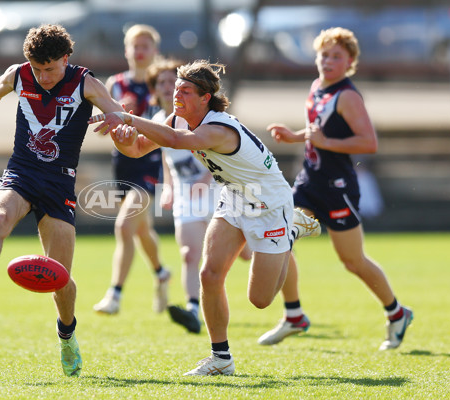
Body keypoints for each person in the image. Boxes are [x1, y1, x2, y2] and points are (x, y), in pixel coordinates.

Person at [89, 60, 321, 376]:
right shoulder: (177, 118)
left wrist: (128, 116)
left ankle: (291, 230)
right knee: (209, 275)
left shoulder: (218, 128)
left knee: (260, 300)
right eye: (176, 90)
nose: (176, 95)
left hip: (269, 206)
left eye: (185, 91)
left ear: (205, 99)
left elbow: (176, 141)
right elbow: (137, 150)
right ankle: (221, 359)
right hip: (234, 199)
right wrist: (120, 132)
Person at [0, 24, 125, 377]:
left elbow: (117, 111)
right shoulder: (19, 75)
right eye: (38, 69)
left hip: (60, 184)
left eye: (50, 69)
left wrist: (115, 120)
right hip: (20, 172)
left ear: (66, 58)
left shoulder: (85, 83)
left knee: (60, 277)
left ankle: (67, 335)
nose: (44, 76)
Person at [262, 27, 413, 351]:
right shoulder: (317, 87)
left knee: (353, 261)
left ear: (350, 62)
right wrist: (294, 136)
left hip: (337, 188)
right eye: (323, 55)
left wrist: (325, 142)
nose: (328, 61)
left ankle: (397, 313)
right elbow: (316, 130)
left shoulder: (348, 96)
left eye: (336, 56)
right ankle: (293, 314)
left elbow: (368, 142)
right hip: (308, 181)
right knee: (278, 233)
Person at [149, 58, 252, 334]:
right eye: (164, 84)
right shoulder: (160, 121)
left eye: (176, 84)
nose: (171, 89)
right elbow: (167, 157)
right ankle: (193, 309)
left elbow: (214, 153)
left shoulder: (205, 121)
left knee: (246, 253)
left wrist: (208, 179)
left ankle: (278, 249)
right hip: (187, 195)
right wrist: (168, 187)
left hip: (218, 191)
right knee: (189, 253)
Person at [93, 24, 170, 315]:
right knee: (140, 230)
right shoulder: (115, 83)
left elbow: (171, 123)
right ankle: (161, 272)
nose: (139, 52)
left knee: (124, 225)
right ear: (126, 50)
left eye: (145, 47)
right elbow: (102, 130)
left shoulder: (161, 83)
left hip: (151, 162)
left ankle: (115, 294)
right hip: (123, 163)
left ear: (154, 51)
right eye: (134, 46)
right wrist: (114, 118)